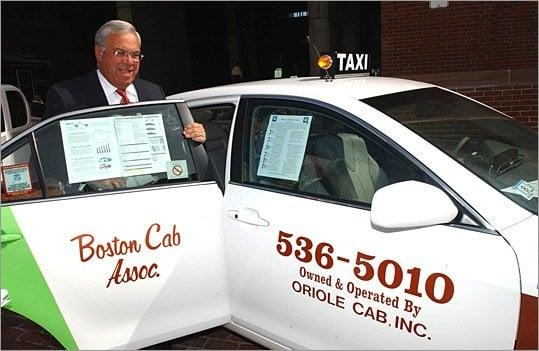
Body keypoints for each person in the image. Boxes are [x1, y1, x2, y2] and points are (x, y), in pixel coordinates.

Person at [43, 19, 206, 143]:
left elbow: (170, 141)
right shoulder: (66, 98)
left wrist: (191, 135)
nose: (129, 62)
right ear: (99, 53)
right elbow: (49, 154)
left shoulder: (153, 93)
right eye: (120, 53)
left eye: (135, 55)